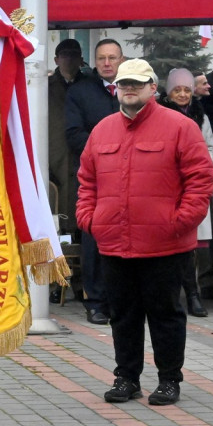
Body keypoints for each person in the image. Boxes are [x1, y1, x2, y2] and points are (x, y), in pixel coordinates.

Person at [77, 59, 213, 407]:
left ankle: (169, 379)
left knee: (166, 315)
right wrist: (89, 218)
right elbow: (87, 180)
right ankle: (126, 378)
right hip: (114, 242)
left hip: (165, 244)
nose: (130, 89)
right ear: (117, 88)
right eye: (124, 84)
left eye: (137, 84)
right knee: (123, 315)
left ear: (153, 88)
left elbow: (200, 180)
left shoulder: (180, 127)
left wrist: (179, 221)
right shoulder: (102, 130)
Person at [65, 38, 124, 325]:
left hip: (131, 177)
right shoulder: (80, 92)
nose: (107, 63)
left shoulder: (132, 89)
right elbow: (74, 134)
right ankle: (96, 301)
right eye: (102, 58)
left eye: (112, 58)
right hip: (94, 177)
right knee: (94, 237)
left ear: (121, 60)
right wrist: (110, 148)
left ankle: (121, 299)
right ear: (95, 60)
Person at [160, 68, 213, 317]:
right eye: (177, 90)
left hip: (193, 186)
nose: (182, 94)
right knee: (175, 245)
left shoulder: (200, 116)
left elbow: (211, 149)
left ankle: (195, 294)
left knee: (194, 246)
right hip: (170, 188)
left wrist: (200, 163)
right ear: (168, 92)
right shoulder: (161, 116)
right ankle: (182, 294)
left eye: (186, 90)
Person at [48, 39, 86, 235]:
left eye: (74, 55)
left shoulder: (91, 87)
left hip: (81, 154)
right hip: (54, 157)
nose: (69, 59)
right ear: (56, 59)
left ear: (81, 59)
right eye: (64, 55)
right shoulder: (44, 88)